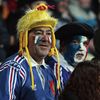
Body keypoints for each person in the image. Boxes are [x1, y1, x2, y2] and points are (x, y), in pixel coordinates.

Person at [0, 3, 59, 100]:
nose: (45, 38)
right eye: (38, 33)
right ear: (24, 38)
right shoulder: (13, 68)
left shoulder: (49, 71)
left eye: (49, 33)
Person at [46, 22, 94, 91]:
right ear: (63, 45)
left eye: (85, 44)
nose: (81, 48)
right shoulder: (55, 70)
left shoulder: (78, 70)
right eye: (75, 42)